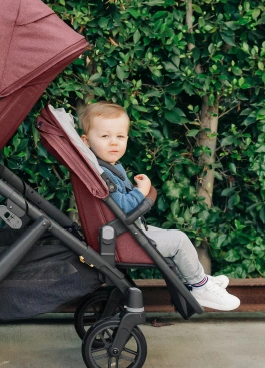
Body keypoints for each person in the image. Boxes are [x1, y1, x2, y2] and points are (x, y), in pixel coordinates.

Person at [79, 102, 241, 311]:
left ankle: (198, 279)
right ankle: (200, 286)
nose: (114, 143)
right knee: (179, 240)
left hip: (122, 232)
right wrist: (142, 190)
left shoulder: (105, 166)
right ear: (86, 141)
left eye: (120, 136)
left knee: (171, 235)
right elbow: (124, 206)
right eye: (105, 136)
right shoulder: (104, 174)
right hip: (122, 239)